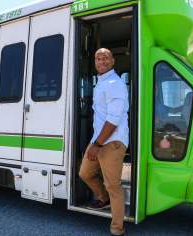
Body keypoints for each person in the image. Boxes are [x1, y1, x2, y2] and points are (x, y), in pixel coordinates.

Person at [79, 48, 129, 236]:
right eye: (98, 58)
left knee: (113, 185)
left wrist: (97, 144)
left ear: (113, 61)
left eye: (105, 58)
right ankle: (102, 198)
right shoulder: (101, 82)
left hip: (112, 141)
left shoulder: (114, 83)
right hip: (99, 139)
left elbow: (113, 120)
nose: (102, 61)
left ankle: (117, 229)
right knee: (85, 173)